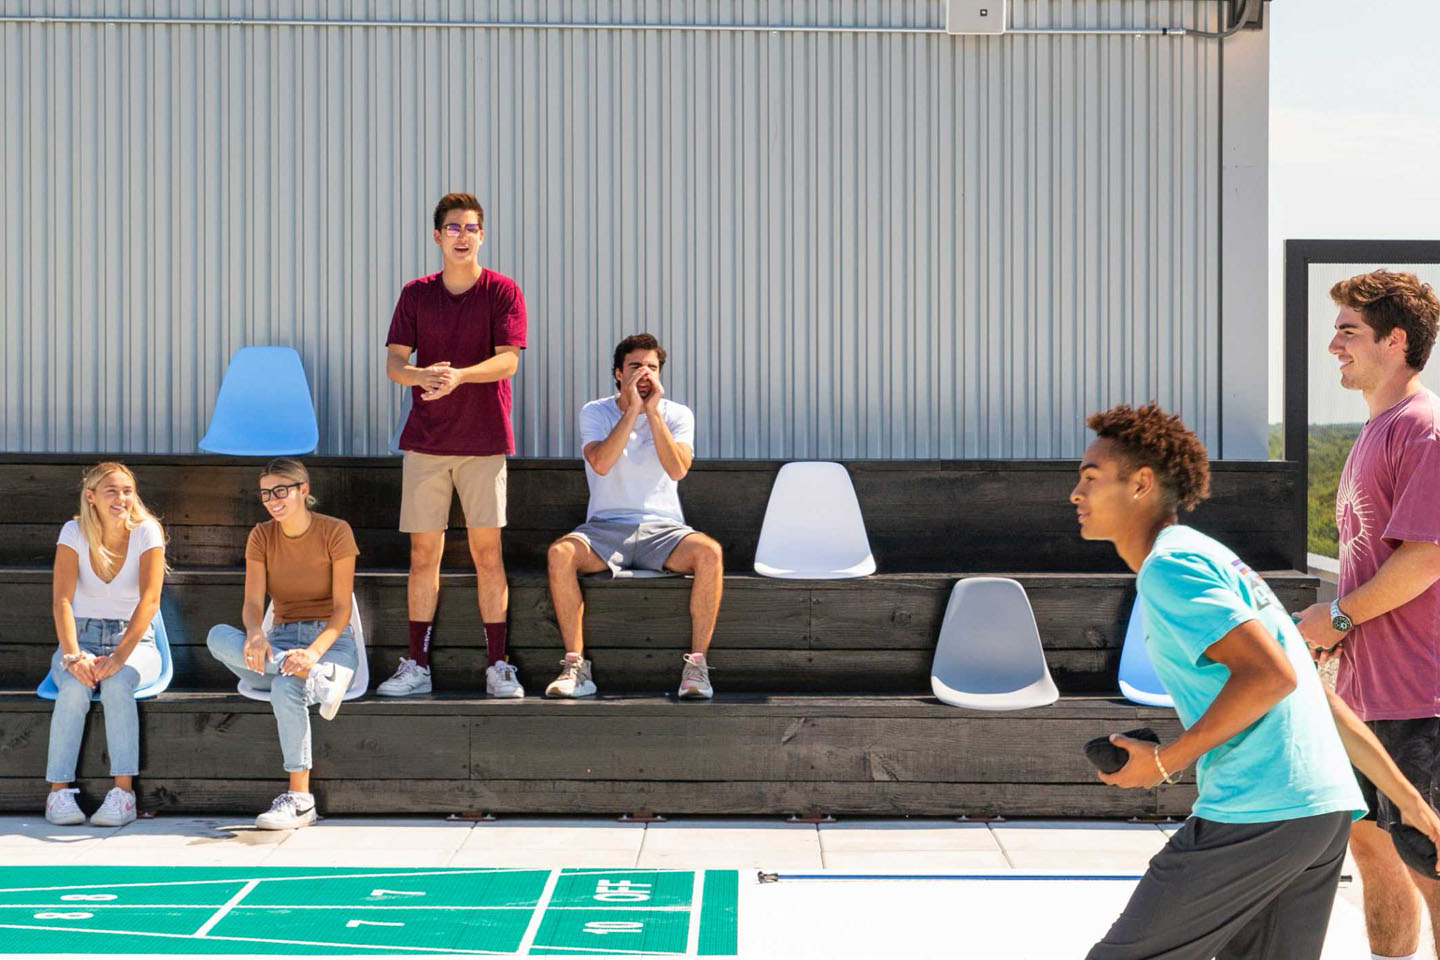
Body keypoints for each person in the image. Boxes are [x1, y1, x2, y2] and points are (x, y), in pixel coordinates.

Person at [1073, 403, 1440, 960]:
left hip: (1261, 810)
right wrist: (1411, 803)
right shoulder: (1213, 557)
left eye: (1091, 478)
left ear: (1141, 484)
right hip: (1319, 812)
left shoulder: (1171, 567)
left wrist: (1166, 761)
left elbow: (1271, 676)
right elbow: (1315, 693)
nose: (1075, 494)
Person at [1292, 269, 1440, 960]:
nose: (1333, 347)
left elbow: (1426, 558)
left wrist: (1339, 618)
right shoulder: (1377, 430)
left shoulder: (1424, 431)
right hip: (1366, 694)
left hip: (1423, 695)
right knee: (1374, 851)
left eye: (1348, 331)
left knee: (1433, 867)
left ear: (1396, 340)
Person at [379, 192, 526, 699]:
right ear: (437, 236)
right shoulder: (416, 294)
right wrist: (424, 374)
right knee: (424, 556)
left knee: (488, 555)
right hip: (425, 445)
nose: (462, 235)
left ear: (481, 235)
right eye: (453, 227)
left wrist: (459, 376)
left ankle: (498, 665)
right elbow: (396, 364)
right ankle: (416, 665)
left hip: (484, 443)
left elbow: (508, 361)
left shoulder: (502, 291)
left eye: (471, 227)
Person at [544, 333, 722, 699]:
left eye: (652, 367)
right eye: (635, 366)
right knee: (560, 554)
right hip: (605, 529)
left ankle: (696, 668)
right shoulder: (596, 411)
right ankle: (575, 666)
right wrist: (631, 411)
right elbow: (602, 463)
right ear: (617, 373)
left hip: (664, 530)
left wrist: (651, 412)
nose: (644, 373)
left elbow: (677, 470)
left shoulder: (676, 414)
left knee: (710, 553)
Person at [205, 459, 359, 830]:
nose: (273, 500)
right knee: (218, 637)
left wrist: (313, 654)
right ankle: (318, 678)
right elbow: (254, 603)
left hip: (330, 643)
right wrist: (256, 633)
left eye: (281, 491)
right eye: (265, 494)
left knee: (286, 686)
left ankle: (300, 800)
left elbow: (342, 611)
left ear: (303, 490)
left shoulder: (336, 532)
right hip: (280, 642)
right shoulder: (261, 535)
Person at [44, 462, 167, 827]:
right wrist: (72, 655)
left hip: (133, 639)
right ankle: (57, 793)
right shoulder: (73, 532)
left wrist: (119, 655)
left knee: (117, 683)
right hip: (79, 637)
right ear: (91, 496)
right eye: (111, 491)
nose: (122, 498)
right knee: (73, 687)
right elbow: (62, 601)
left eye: (127, 490)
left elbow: (150, 601)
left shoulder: (147, 531)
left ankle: (123, 794)